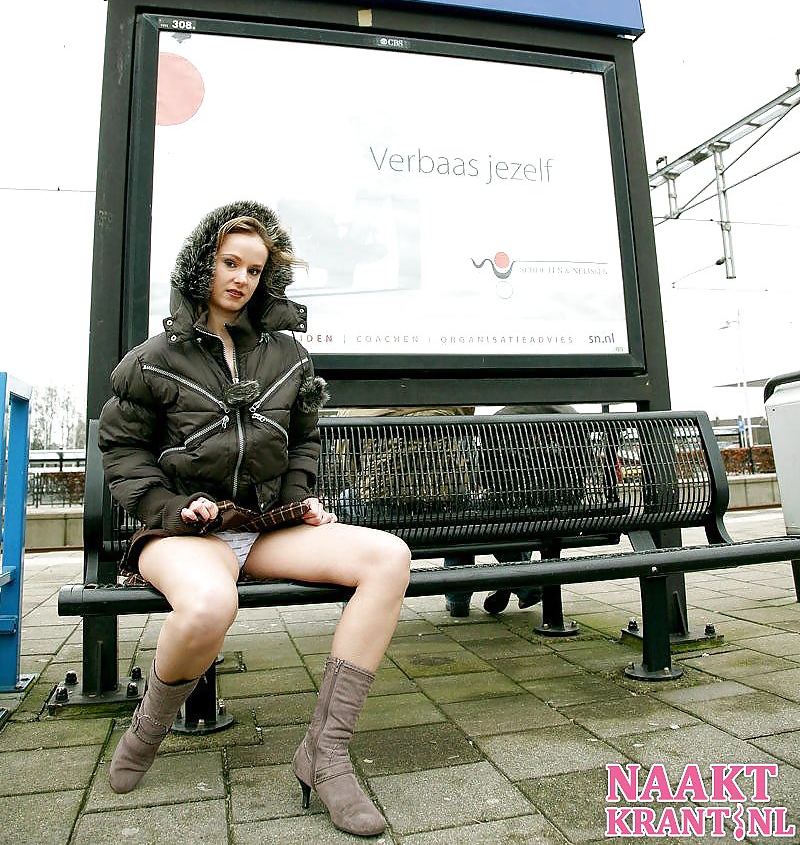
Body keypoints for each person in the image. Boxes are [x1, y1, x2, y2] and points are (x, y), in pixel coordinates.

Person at [98, 202, 411, 838]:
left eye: (254, 268)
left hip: (264, 526)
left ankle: (325, 755)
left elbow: (302, 440)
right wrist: (169, 507)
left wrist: (299, 498)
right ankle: (149, 725)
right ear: (203, 265)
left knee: (389, 558)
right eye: (228, 262)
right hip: (185, 532)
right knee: (212, 606)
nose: (240, 278)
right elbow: (121, 450)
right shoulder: (155, 359)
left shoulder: (288, 357)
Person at [443, 403, 577, 617]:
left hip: (516, 509)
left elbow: (489, 479)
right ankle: (512, 580)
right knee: (521, 509)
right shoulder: (570, 414)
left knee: (469, 514)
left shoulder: (501, 419)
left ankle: (518, 584)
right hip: (573, 510)